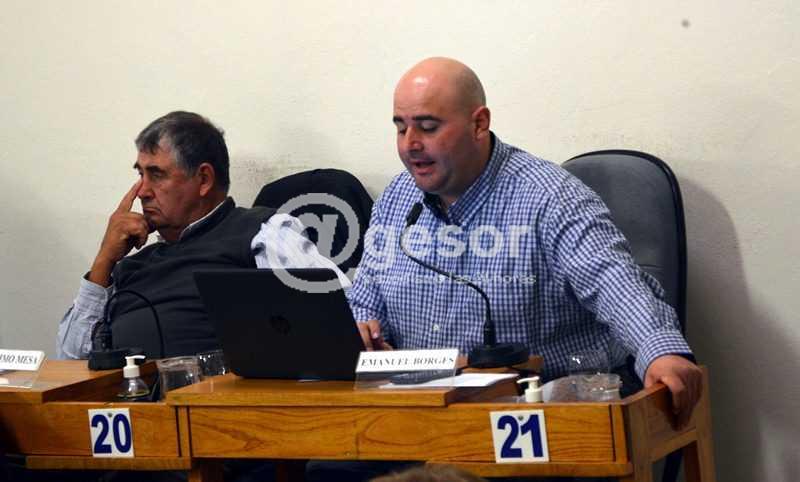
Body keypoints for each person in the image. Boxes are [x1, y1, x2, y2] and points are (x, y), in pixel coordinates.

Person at [348, 57, 703, 428]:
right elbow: (366, 302)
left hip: (541, 413)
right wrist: (358, 331)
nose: (410, 144)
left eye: (428, 127)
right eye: (400, 128)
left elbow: (612, 282)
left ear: (478, 124)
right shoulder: (397, 199)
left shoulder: (551, 198)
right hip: (422, 414)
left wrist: (660, 351)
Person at [57, 111, 344, 360]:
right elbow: (70, 360)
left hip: (215, 400)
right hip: (125, 399)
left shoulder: (262, 233)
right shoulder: (130, 266)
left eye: (156, 175)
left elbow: (341, 321)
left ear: (204, 179)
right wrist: (104, 261)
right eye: (140, 175)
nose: (142, 191)